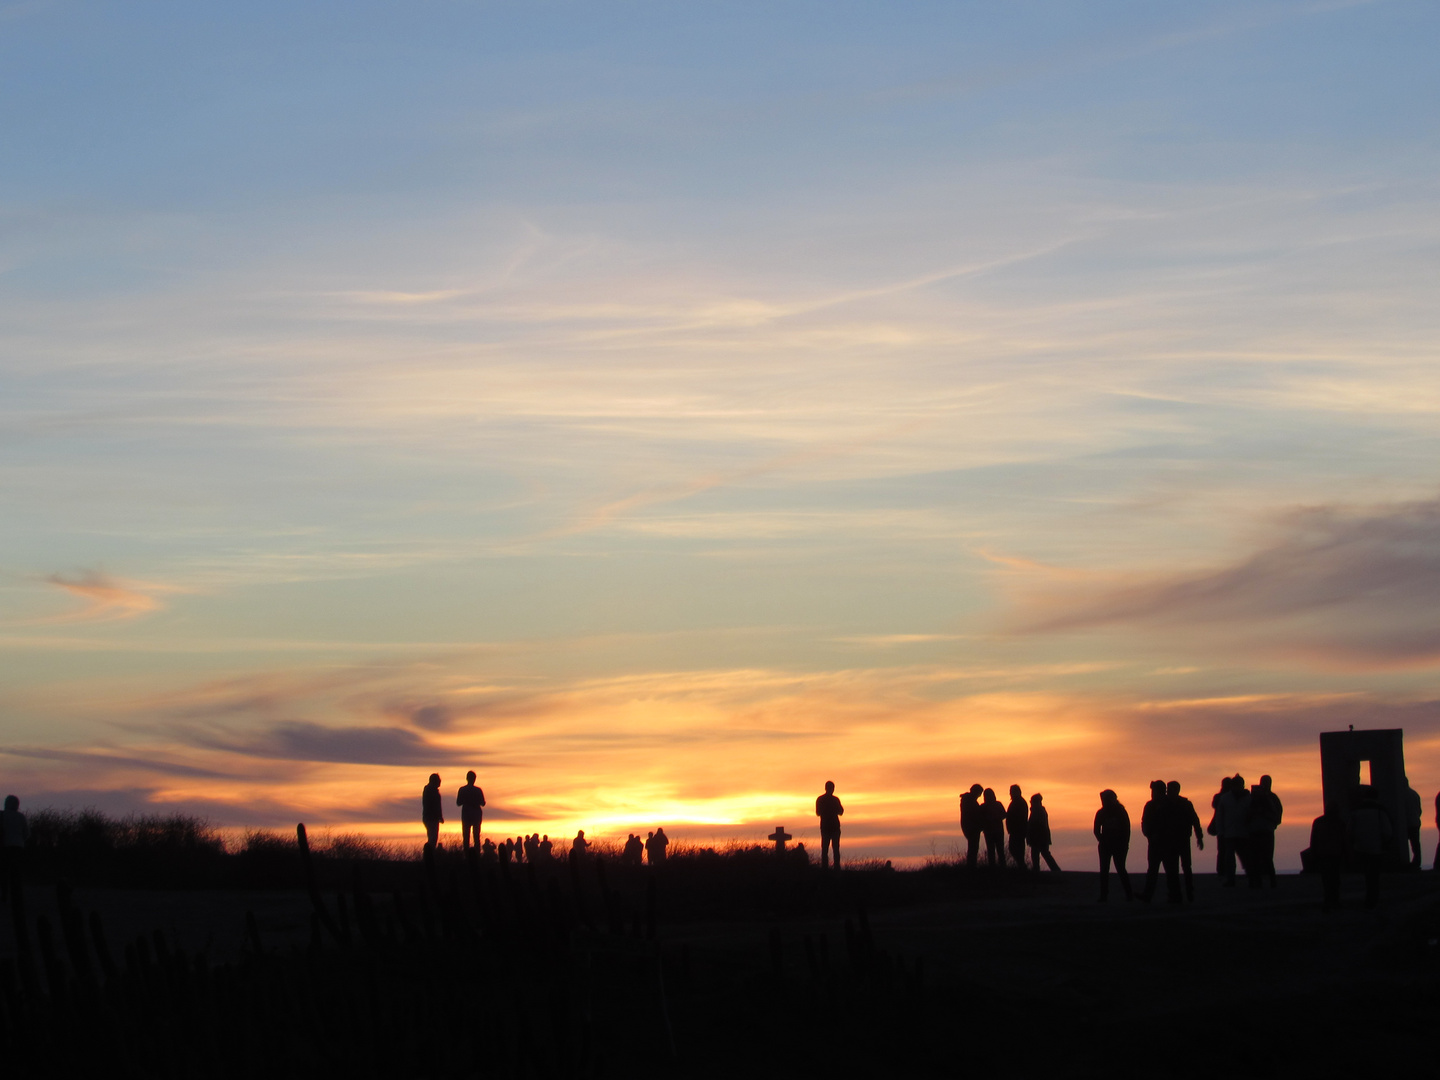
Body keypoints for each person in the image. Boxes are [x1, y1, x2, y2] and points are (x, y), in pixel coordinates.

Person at [1350, 785, 1394, 909]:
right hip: (1376, 848)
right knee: (1374, 875)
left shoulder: (1356, 811)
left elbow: (1350, 830)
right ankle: (1373, 898)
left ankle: (1368, 899)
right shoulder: (1380, 811)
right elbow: (1387, 831)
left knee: (1367, 874)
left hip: (1360, 847)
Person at [1140, 780, 1180, 903]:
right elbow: (1145, 822)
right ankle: (1148, 896)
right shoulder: (1150, 805)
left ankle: (1175, 896)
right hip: (1155, 843)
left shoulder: (1170, 805)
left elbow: (1173, 824)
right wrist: (1149, 835)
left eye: (1154, 791)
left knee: (1170, 871)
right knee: (1153, 870)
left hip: (1167, 844)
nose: (1152, 793)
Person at [1166, 781, 1203, 902]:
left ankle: (1188, 892)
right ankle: (1177, 894)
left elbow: (1195, 821)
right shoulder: (1167, 804)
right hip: (1172, 840)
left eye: (1170, 789)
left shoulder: (1184, 804)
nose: (1168, 791)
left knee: (1185, 867)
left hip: (1182, 839)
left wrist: (1199, 837)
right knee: (1174, 868)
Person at [1093, 789, 1133, 902]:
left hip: (1119, 845)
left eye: (1105, 799)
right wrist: (1102, 841)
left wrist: (1124, 843)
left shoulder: (1121, 812)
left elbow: (1126, 829)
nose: (1103, 802)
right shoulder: (1101, 813)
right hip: (1106, 845)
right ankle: (1104, 895)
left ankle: (1129, 894)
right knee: (1104, 870)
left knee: (1120, 869)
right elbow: (1096, 830)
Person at [1215, 773, 1252, 886]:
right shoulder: (1226, 798)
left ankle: (1251, 877)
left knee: (1245, 857)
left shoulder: (1248, 798)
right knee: (1230, 858)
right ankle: (1231, 879)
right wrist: (1221, 831)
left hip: (1242, 833)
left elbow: (1251, 815)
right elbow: (1220, 816)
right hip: (1230, 832)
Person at [1308, 810, 1347, 912]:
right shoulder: (1340, 822)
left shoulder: (1318, 822)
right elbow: (1344, 839)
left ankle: (1328, 900)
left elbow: (1314, 839)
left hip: (1323, 854)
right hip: (1335, 854)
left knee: (1326, 879)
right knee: (1335, 878)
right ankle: (1334, 900)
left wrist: (1313, 853)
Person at [1, 795, 27, 903]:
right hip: (18, 847)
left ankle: (4, 896)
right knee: (16, 873)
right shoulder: (21, 817)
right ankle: (16, 897)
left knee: (4, 873)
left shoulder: (1, 815)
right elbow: (26, 833)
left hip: (4, 847)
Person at [1027, 792, 1061, 871]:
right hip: (1041, 837)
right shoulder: (1039, 810)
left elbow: (1036, 824)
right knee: (1043, 854)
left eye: (1032, 801)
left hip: (1039, 837)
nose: (1031, 803)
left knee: (1039, 854)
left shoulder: (1037, 811)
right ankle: (1055, 869)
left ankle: (1040, 870)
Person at [816, 781, 844, 870]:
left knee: (832, 849)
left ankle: (834, 868)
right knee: (827, 849)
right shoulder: (827, 799)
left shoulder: (823, 799)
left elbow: (841, 811)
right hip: (827, 827)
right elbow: (818, 812)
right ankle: (827, 868)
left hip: (831, 827)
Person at [456, 771, 486, 851]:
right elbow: (483, 803)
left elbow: (458, 803)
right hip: (476, 814)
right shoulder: (478, 790)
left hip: (466, 814)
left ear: (467, 778)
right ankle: (476, 855)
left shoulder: (462, 790)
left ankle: (466, 855)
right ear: (474, 779)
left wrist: (466, 801)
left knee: (466, 837)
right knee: (476, 836)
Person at [960, 784, 984, 869]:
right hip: (972, 827)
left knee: (973, 848)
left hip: (970, 827)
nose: (980, 795)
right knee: (973, 848)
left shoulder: (968, 800)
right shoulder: (970, 801)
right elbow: (974, 814)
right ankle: (971, 866)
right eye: (979, 793)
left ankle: (971, 866)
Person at [980, 788, 1005, 869]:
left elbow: (1004, 815)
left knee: (997, 851)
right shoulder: (985, 806)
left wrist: (994, 818)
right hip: (992, 831)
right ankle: (996, 868)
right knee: (994, 851)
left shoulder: (987, 806)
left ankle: (998, 868)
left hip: (994, 831)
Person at [1005, 784, 1029, 869]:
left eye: (1012, 792)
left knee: (1015, 849)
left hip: (1018, 831)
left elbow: (1019, 817)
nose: (1010, 793)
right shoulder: (1017, 802)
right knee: (1015, 849)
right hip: (1016, 830)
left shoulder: (1019, 802)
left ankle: (1022, 866)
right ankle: (1021, 866)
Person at [1403, 779, 1422, 871]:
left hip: (1405, 823)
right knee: (1415, 844)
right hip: (1415, 821)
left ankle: (1405, 861)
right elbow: (1419, 810)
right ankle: (1417, 862)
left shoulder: (1400, 794)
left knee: (1403, 844)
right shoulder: (1414, 793)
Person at [421, 773, 444, 852]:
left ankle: (429, 854)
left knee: (432, 838)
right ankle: (429, 854)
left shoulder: (430, 790)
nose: (440, 782)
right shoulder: (431, 790)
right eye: (438, 780)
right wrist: (439, 816)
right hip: (431, 818)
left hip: (430, 817)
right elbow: (435, 805)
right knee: (432, 838)